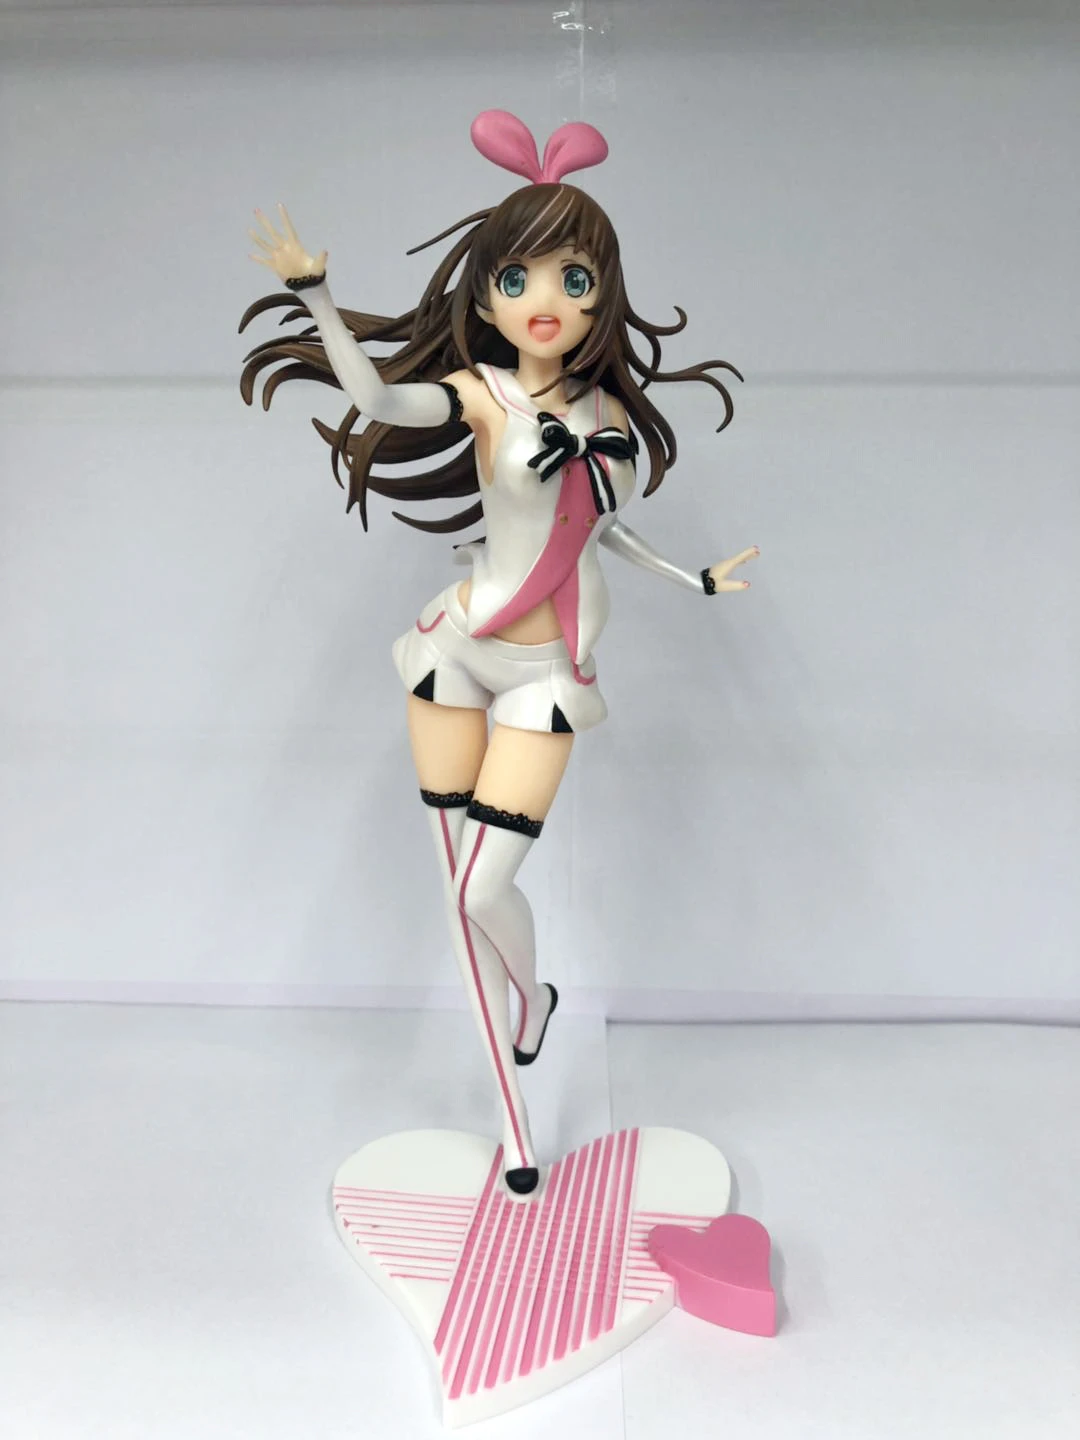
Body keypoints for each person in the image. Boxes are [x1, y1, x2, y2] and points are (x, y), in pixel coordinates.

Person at [241, 110, 757, 1196]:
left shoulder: (606, 412)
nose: (545, 301)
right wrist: (317, 296)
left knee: (483, 891)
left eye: (574, 278)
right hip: (455, 653)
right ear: (484, 299)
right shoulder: (482, 392)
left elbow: (599, 531)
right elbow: (379, 398)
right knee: (454, 887)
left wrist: (695, 580)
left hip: (546, 679)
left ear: (602, 296)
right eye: (519, 279)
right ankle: (517, 1138)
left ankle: (536, 997)